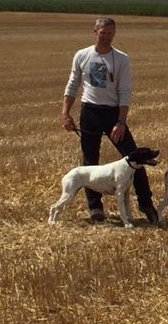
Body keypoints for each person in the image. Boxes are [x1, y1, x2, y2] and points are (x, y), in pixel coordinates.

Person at [60, 16, 158, 223]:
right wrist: (65, 113)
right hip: (89, 113)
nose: (106, 37)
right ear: (95, 32)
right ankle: (95, 208)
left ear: (115, 34)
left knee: (135, 159)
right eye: (102, 33)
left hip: (113, 114)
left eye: (110, 33)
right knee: (90, 162)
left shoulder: (122, 59)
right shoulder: (82, 55)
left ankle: (146, 204)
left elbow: (125, 92)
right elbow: (72, 85)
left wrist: (121, 121)